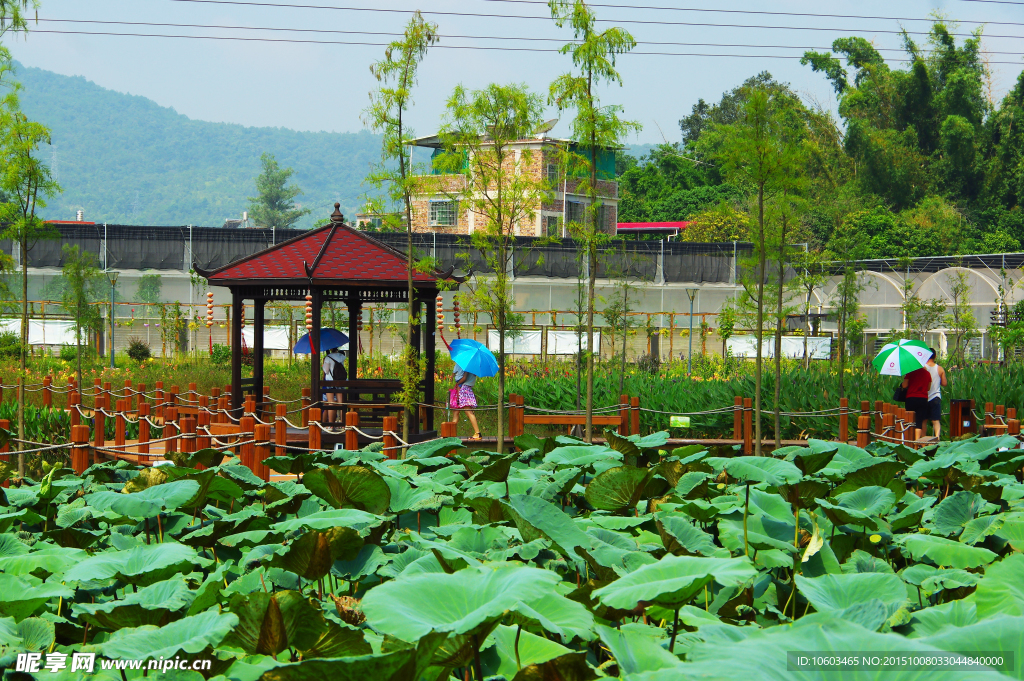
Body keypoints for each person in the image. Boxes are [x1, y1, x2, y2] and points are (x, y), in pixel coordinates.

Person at [451, 363, 481, 440]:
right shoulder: (475, 367)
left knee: (468, 412)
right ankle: (451, 432)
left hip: (464, 389)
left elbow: (464, 378)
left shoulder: (468, 366)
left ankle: (477, 433)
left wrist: (457, 384)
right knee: (456, 411)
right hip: (468, 388)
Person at [901, 364, 931, 437]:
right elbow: (928, 388)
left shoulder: (910, 372)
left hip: (911, 398)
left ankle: (909, 439)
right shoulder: (927, 374)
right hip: (923, 399)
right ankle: (917, 442)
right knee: (919, 421)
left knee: (909, 419)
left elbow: (904, 385)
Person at [925, 348, 947, 439]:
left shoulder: (923, 367)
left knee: (923, 420)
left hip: (924, 396)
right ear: (935, 356)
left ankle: (923, 438)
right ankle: (937, 437)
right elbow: (944, 383)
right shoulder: (939, 368)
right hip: (935, 397)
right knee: (936, 420)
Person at [321, 346, 347, 424]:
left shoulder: (328, 357)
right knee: (341, 403)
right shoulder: (342, 356)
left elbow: (326, 371)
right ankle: (342, 424)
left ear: (331, 348)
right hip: (340, 382)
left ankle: (331, 424)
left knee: (331, 403)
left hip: (330, 382)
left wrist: (324, 365)